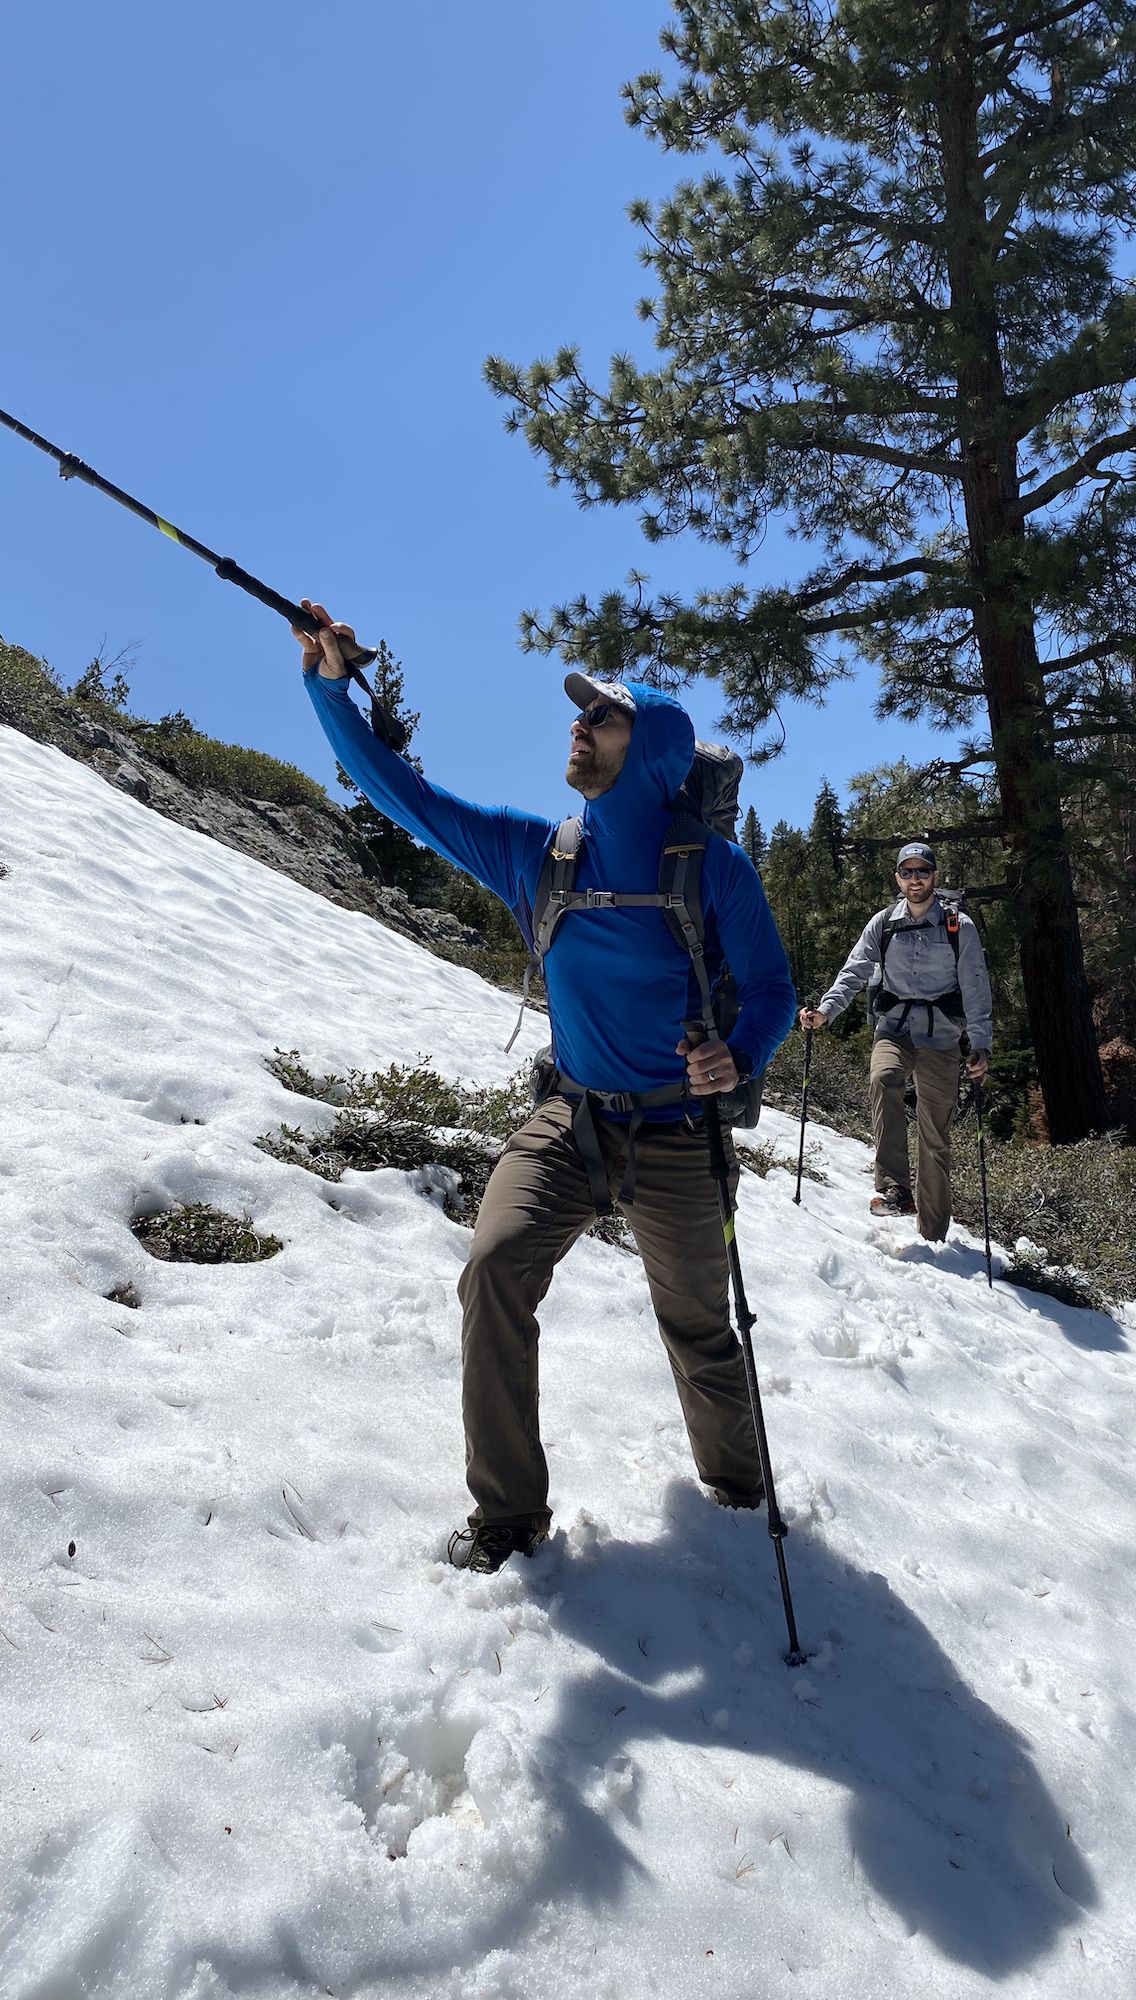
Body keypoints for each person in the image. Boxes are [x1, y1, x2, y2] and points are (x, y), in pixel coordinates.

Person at [294, 608, 796, 1573]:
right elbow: (398, 793)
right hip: (568, 1116)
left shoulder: (713, 868)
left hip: (681, 1130)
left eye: (601, 719)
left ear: (648, 752)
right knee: (494, 1270)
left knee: (698, 1326)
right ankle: (510, 1517)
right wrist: (327, 685)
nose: (578, 726)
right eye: (581, 716)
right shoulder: (540, 854)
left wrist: (739, 1053)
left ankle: (737, 1494)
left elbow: (773, 989)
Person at [799, 842, 991, 1243]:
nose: (915, 879)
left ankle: (933, 1232)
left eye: (923, 871)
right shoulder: (883, 922)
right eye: (908, 872)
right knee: (884, 1077)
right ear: (898, 877)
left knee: (935, 1134)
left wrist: (981, 1043)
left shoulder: (960, 927)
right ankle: (895, 1189)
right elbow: (853, 971)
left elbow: (976, 987)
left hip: (941, 1037)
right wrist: (826, 1011)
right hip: (895, 1029)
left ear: (935, 876)